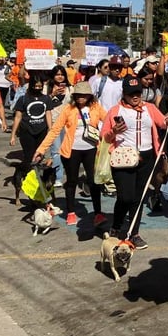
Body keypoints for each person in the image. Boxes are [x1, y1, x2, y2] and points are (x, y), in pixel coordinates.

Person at [101, 76, 168, 249]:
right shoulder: (115, 111)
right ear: (124, 93)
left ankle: (134, 233)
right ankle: (116, 227)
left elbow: (162, 123)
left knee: (139, 198)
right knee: (125, 197)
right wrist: (113, 131)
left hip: (147, 157)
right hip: (123, 158)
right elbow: (104, 136)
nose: (135, 96)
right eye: (130, 93)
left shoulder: (149, 107)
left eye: (138, 92)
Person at [35, 81, 108, 227]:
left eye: (84, 95)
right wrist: (41, 150)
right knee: (72, 181)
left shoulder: (96, 108)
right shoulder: (68, 109)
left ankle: (98, 213)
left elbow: (108, 122)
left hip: (91, 149)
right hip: (71, 151)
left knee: (94, 182)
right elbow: (55, 130)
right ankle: (71, 212)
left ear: (89, 96)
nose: (81, 98)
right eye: (78, 95)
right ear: (74, 96)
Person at [9, 74, 52, 169]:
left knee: (39, 155)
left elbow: (48, 114)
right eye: (36, 86)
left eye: (40, 86)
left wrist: (50, 129)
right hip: (27, 131)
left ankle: (36, 175)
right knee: (29, 155)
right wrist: (13, 135)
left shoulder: (46, 99)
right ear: (31, 86)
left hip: (42, 130)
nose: (38, 88)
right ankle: (27, 175)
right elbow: (17, 117)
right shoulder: (23, 99)